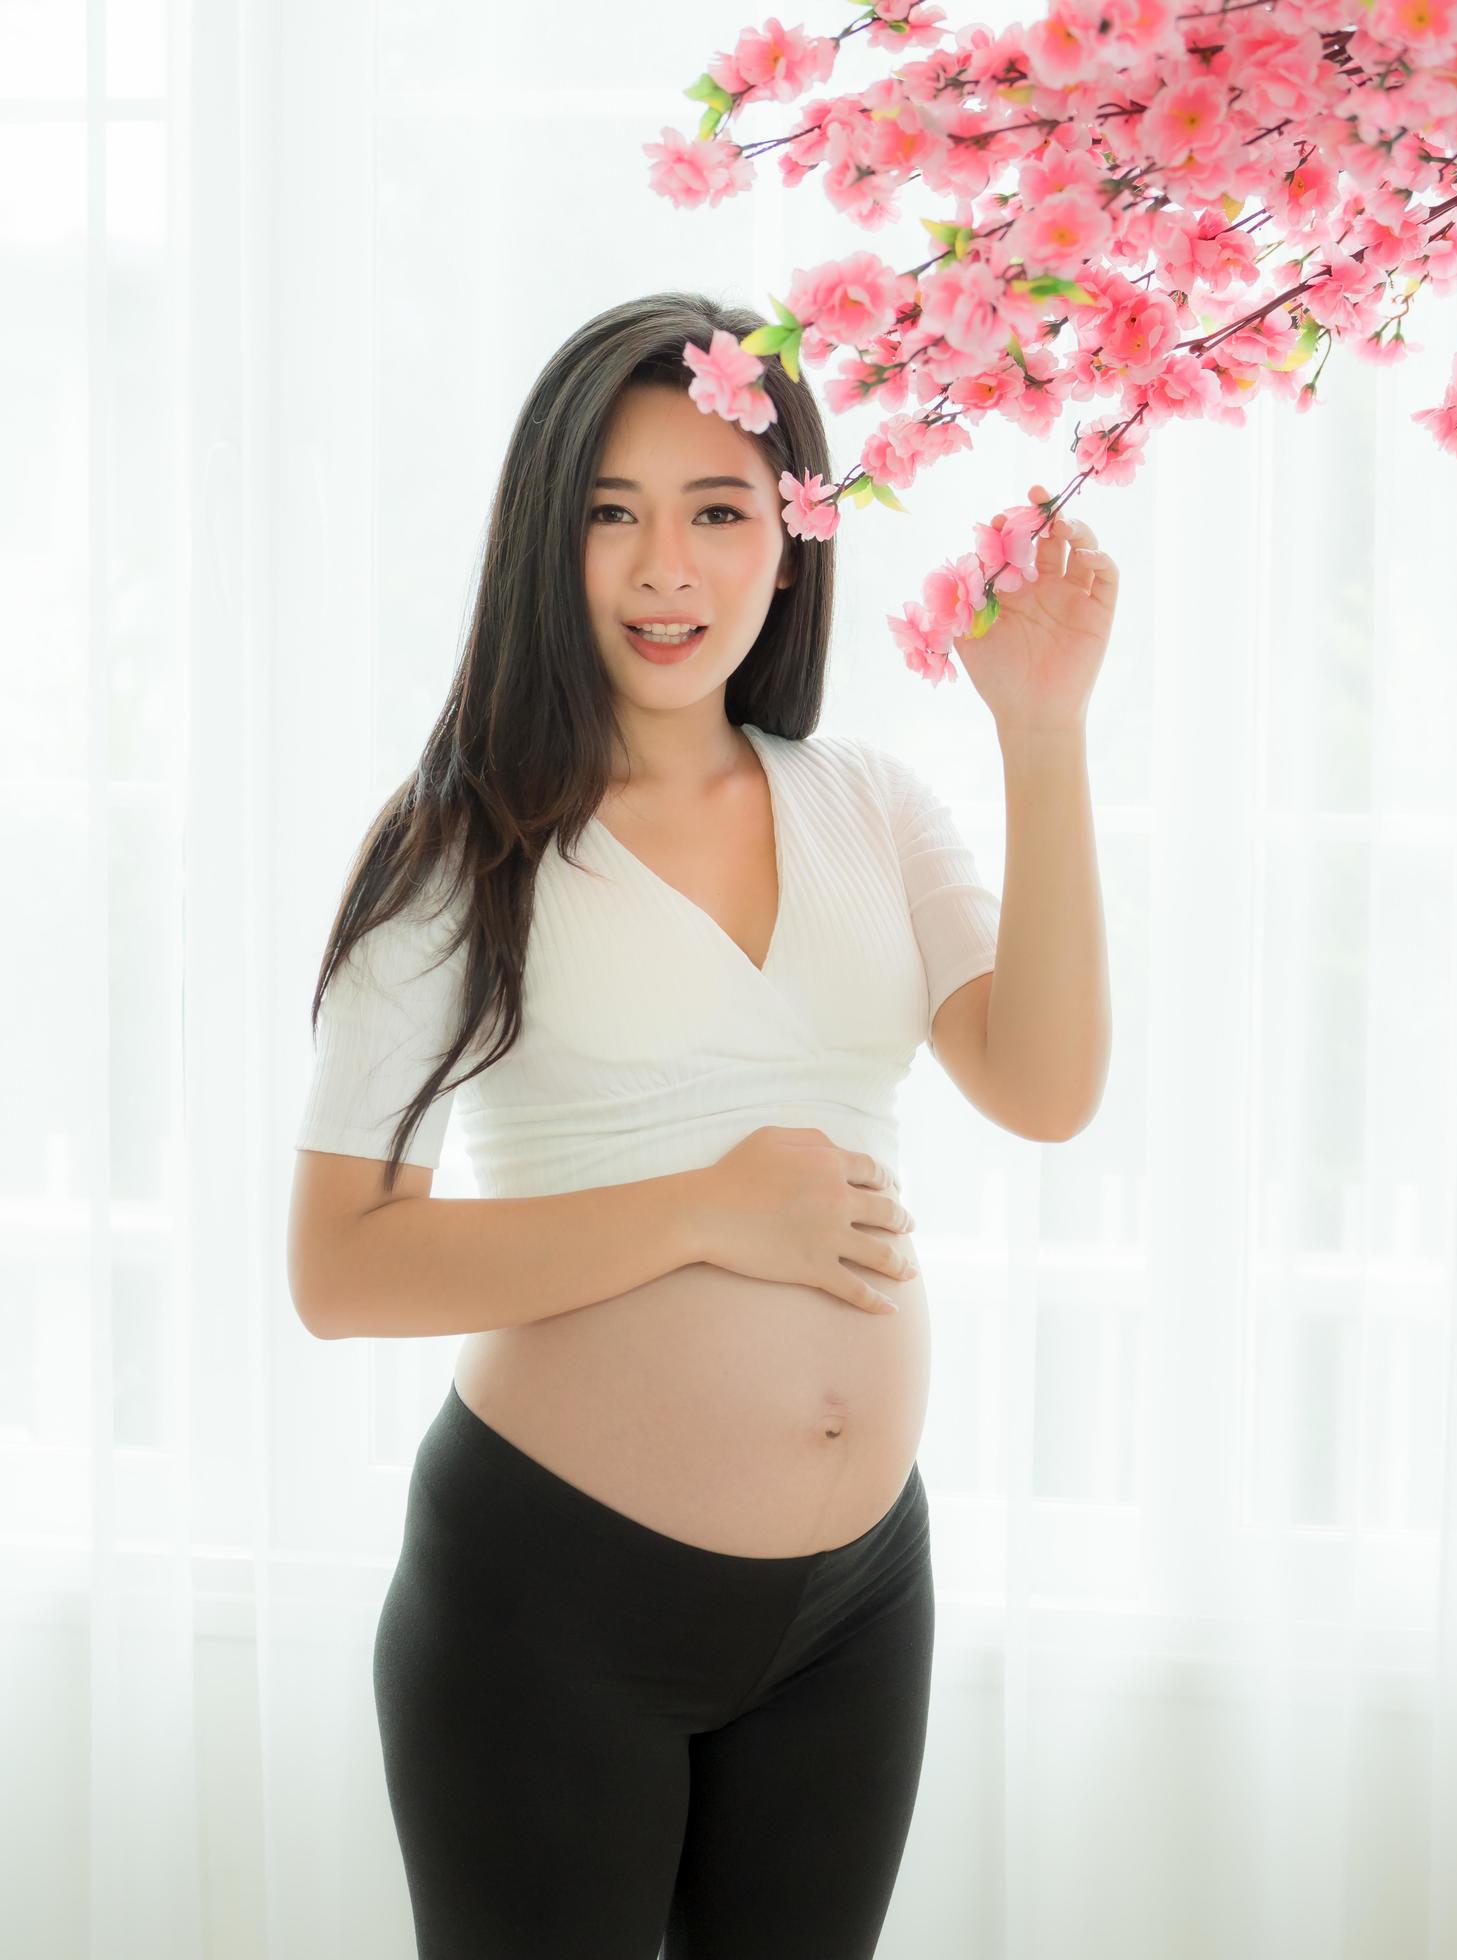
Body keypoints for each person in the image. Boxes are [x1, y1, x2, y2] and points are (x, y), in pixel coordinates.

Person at [287, 291, 1004, 1959]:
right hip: (551, 1600)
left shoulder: (871, 804)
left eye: (715, 512)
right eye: (610, 514)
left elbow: (1043, 1087)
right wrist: (702, 1208)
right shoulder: (463, 843)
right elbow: (340, 1270)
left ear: (794, 534)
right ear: (546, 537)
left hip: (857, 1599)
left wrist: (1039, 737)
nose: (663, 567)